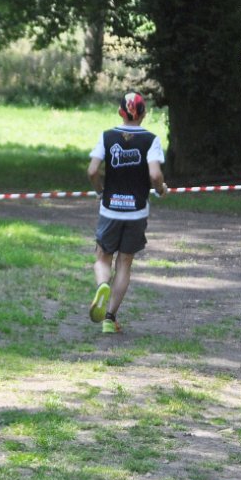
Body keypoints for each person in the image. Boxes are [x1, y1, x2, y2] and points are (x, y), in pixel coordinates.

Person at [86, 91, 168, 334]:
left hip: (110, 209)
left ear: (120, 112)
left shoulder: (107, 136)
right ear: (144, 114)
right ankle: (109, 319)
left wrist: (99, 191)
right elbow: (155, 175)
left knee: (103, 257)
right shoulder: (151, 140)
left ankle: (102, 285)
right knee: (124, 263)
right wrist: (160, 189)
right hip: (136, 213)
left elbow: (92, 171)